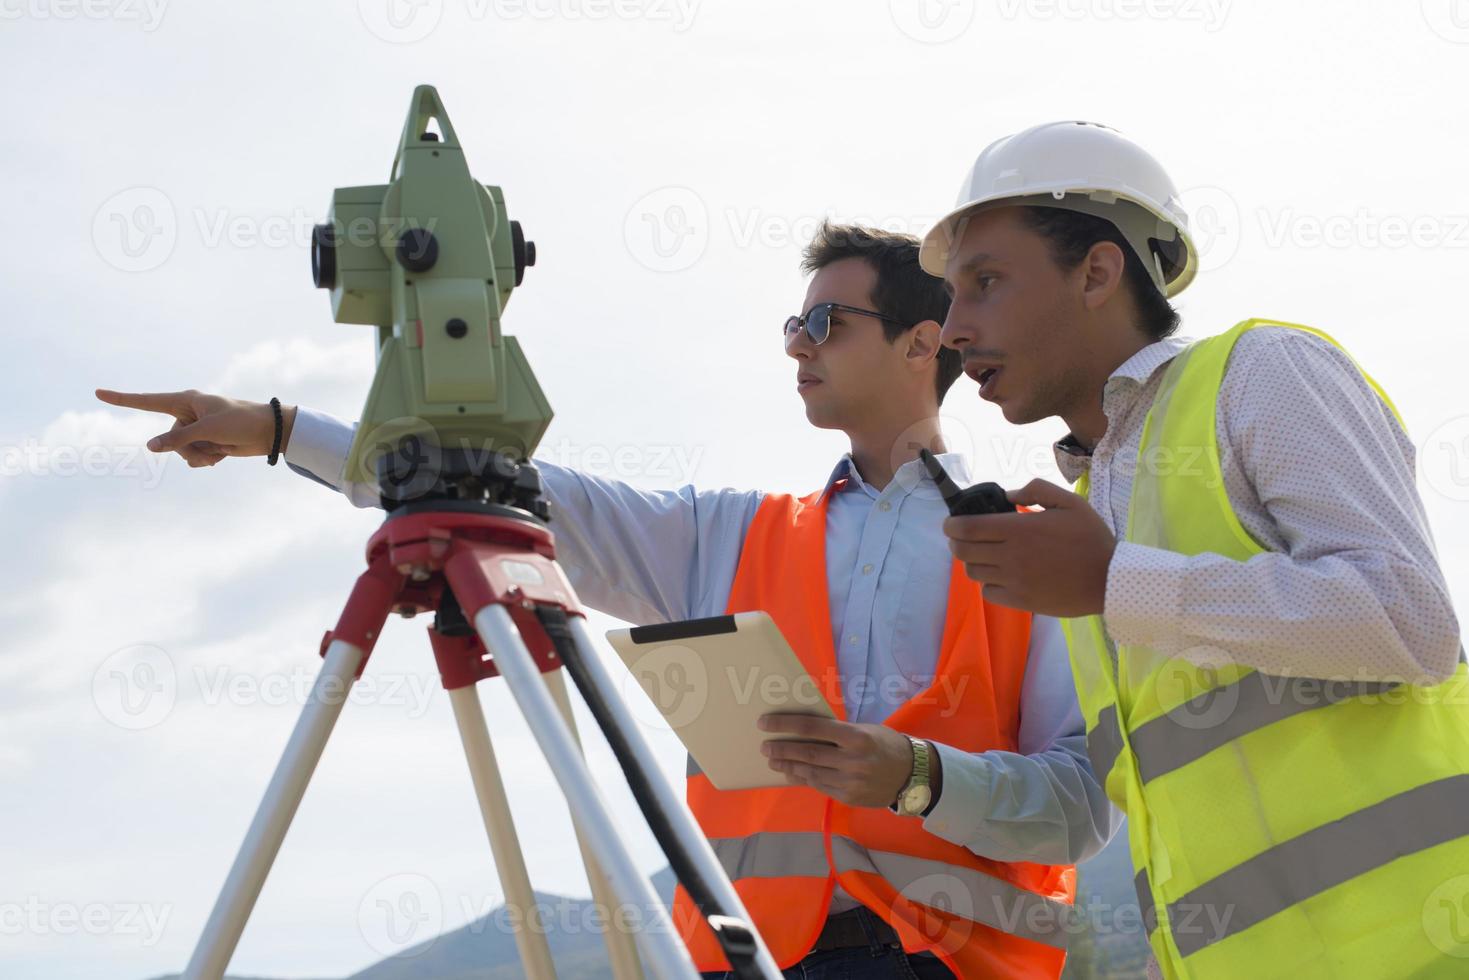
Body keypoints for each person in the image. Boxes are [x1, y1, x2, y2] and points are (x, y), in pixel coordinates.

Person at [97, 222, 1118, 979]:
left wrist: (919, 777)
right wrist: (280, 428)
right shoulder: (728, 533)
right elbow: (502, 485)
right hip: (742, 960)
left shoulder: (1039, 553)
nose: (797, 345)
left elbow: (1079, 808)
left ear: (919, 342)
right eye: (790, 326)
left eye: (823, 321)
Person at [924, 120, 1469, 979]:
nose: (951, 328)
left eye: (984, 282)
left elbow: (1410, 624)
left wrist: (1113, 581)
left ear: (1097, 271)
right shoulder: (1084, 516)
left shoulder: (1263, 372)